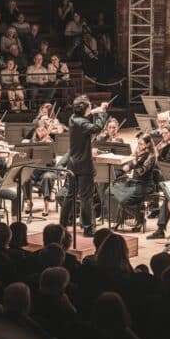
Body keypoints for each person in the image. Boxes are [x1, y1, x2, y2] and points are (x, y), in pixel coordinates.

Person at [59, 96, 109, 237]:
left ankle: (62, 225)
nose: (90, 109)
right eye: (89, 107)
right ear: (84, 109)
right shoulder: (83, 124)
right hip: (84, 165)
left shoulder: (72, 118)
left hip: (73, 164)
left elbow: (87, 115)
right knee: (86, 198)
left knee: (70, 196)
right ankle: (88, 229)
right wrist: (102, 112)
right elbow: (97, 128)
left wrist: (95, 110)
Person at [107, 134, 157, 232]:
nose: (139, 146)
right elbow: (126, 168)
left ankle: (139, 219)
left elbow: (141, 171)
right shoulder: (138, 152)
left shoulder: (151, 156)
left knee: (123, 201)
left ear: (148, 144)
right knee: (109, 191)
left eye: (141, 144)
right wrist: (127, 163)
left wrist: (135, 162)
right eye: (138, 143)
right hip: (133, 182)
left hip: (144, 185)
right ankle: (121, 219)